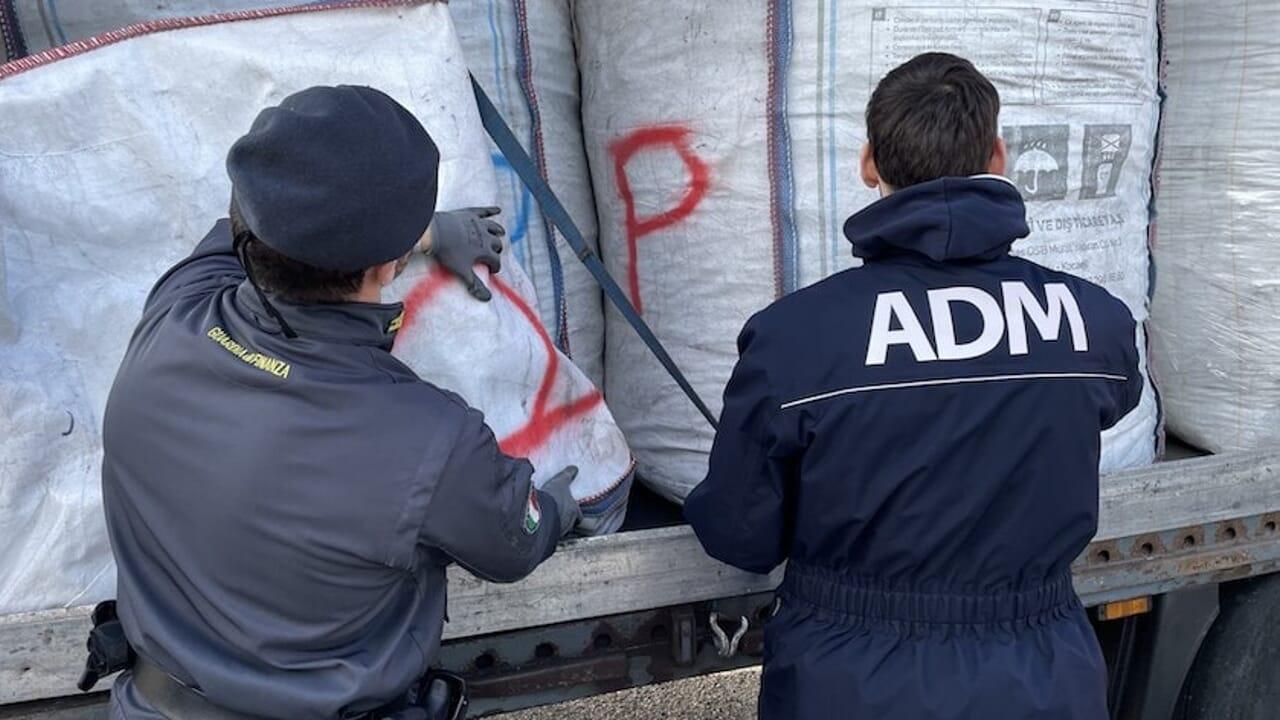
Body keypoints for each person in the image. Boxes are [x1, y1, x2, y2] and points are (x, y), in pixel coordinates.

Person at [98, 85, 581, 719]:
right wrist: (558, 511)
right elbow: (512, 544)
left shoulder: (177, 314)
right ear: (391, 265)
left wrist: (423, 233)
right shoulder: (430, 442)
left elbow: (242, 230)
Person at [684, 53, 1142, 720]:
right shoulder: (1094, 323)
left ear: (870, 162)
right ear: (998, 155)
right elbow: (1102, 403)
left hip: (850, 681)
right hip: (1042, 678)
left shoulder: (795, 338)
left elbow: (739, 536)